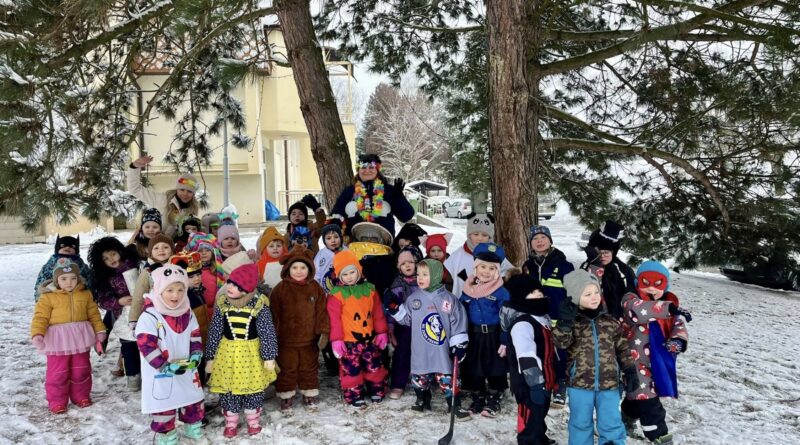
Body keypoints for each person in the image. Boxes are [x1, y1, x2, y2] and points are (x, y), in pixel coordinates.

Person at [553, 269, 637, 445]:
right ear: (575, 297)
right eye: (587, 294)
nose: (594, 297)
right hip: (579, 383)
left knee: (611, 422)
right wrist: (565, 323)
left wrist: (630, 371)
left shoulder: (610, 321)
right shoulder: (572, 322)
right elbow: (561, 343)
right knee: (580, 423)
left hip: (610, 384)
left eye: (596, 292)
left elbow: (623, 348)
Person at [620, 261, 691, 445]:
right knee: (647, 399)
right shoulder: (630, 299)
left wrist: (678, 341)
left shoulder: (669, 305)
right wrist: (666, 308)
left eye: (658, 283)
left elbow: (678, 325)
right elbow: (638, 311)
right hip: (633, 360)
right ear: (637, 282)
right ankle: (659, 435)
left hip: (657, 361)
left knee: (638, 395)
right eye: (646, 282)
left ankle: (627, 415)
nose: (651, 288)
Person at [388, 259, 469, 418]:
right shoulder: (414, 299)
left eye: (425, 274)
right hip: (421, 349)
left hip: (441, 350)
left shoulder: (449, 299)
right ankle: (422, 398)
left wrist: (459, 344)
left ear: (437, 275)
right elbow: (406, 319)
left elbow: (458, 322)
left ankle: (454, 404)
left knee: (447, 377)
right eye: (418, 274)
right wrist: (394, 309)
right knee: (420, 376)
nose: (420, 278)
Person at [205, 263, 278, 437]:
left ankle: (253, 421)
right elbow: (215, 331)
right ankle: (231, 422)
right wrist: (210, 357)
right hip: (227, 355)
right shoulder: (223, 304)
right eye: (229, 283)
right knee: (228, 389)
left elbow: (267, 332)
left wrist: (269, 356)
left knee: (253, 389)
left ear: (246, 289)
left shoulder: (258, 305)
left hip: (251, 354)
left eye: (237, 286)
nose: (230, 287)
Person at [135, 264, 205, 444]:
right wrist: (163, 365)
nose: (176, 295)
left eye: (181, 290)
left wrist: (196, 353)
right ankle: (167, 436)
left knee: (193, 400)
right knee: (164, 407)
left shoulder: (188, 313)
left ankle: (193, 428)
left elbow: (195, 335)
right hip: (162, 372)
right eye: (170, 290)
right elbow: (146, 345)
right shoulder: (150, 316)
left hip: (186, 368)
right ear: (159, 290)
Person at [31, 258, 106, 414]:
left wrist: (100, 330)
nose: (69, 282)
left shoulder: (85, 294)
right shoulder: (48, 297)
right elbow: (40, 317)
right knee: (58, 372)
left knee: (81, 369)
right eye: (64, 279)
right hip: (58, 341)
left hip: (80, 339)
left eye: (73, 278)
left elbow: (93, 314)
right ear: (56, 280)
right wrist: (37, 334)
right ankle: (57, 401)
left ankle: (81, 396)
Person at [269, 246, 330, 413]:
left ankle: (309, 392)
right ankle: (286, 394)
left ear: (309, 269)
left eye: (303, 267)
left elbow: (322, 311)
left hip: (309, 340)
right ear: (288, 269)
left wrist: (323, 331)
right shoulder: (280, 289)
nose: (298, 271)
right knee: (286, 368)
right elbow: (273, 314)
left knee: (308, 367)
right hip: (285, 340)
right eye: (294, 267)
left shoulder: (315, 287)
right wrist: (272, 336)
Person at [327, 250, 390, 408]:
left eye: (352, 272)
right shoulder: (336, 295)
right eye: (345, 274)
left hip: (369, 339)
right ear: (339, 275)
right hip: (349, 342)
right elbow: (334, 320)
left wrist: (381, 332)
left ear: (359, 271)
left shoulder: (370, 290)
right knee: (351, 369)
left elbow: (377, 313)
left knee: (374, 366)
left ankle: (376, 389)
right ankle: (354, 394)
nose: (349, 277)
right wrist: (336, 340)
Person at [501, 273, 557, 445]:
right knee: (530, 416)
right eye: (533, 293)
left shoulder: (541, 317)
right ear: (520, 296)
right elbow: (526, 356)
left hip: (546, 378)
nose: (539, 295)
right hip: (530, 383)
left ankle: (539, 437)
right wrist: (535, 384)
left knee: (540, 413)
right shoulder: (522, 324)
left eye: (540, 292)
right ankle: (528, 440)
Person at [522, 225, 575, 407]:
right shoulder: (527, 266)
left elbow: (572, 293)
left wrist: (567, 315)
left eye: (543, 237)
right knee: (540, 352)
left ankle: (561, 384)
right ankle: (544, 382)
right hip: (535, 319)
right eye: (535, 239)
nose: (539, 241)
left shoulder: (564, 265)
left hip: (557, 318)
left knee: (559, 353)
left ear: (550, 241)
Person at [459, 242, 510, 419]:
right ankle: (478, 395)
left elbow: (507, 317)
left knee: (495, 366)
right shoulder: (468, 288)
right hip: (474, 335)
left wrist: (505, 339)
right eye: (483, 267)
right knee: (475, 366)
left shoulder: (501, 292)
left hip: (494, 335)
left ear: (497, 270)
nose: (486, 271)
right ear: (476, 267)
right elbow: (461, 312)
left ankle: (495, 396)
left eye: (491, 268)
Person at [87, 236, 141, 383]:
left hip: (145, 311)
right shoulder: (105, 277)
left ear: (119, 251)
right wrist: (118, 301)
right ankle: (133, 376)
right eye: (105, 258)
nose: (111, 259)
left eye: (112, 254)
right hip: (123, 316)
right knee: (128, 344)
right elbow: (103, 300)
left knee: (146, 342)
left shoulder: (135, 263)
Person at [331, 153, 415, 240]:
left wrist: (398, 197)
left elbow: (406, 216)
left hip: (383, 244)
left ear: (377, 170)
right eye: (363, 167)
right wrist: (334, 226)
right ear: (358, 170)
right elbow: (336, 215)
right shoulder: (348, 192)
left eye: (371, 167)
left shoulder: (389, 190)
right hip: (354, 244)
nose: (367, 170)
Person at [382, 245, 423, 399]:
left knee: (423, 354)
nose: (407, 266)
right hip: (404, 327)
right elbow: (391, 310)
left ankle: (423, 382)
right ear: (399, 267)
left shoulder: (423, 281)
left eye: (411, 262)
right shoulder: (397, 285)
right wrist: (390, 328)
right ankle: (398, 384)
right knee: (401, 354)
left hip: (422, 326)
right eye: (403, 264)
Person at [128, 155, 200, 237]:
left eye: (189, 191)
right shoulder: (162, 199)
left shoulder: (192, 210)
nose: (185, 194)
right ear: (177, 189)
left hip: (169, 245)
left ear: (193, 194)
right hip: (148, 242)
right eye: (182, 190)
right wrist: (134, 167)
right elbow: (135, 189)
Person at [444, 213, 513, 299]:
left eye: (484, 235)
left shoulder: (496, 255)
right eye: (476, 234)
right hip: (462, 302)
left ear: (490, 237)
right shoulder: (458, 256)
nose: (480, 238)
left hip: (489, 303)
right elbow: (448, 281)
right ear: (469, 234)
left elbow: (508, 275)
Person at [580, 220, 635, 319]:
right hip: (592, 318)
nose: (602, 256)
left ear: (613, 253)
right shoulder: (586, 267)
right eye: (598, 253)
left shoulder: (621, 270)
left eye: (606, 252)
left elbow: (631, 292)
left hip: (618, 318)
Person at [129, 234, 175, 329]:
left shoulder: (178, 269)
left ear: (172, 250)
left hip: (176, 312)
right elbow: (139, 295)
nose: (161, 250)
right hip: (155, 313)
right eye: (156, 248)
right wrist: (134, 318)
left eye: (165, 247)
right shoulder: (148, 272)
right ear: (150, 252)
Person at [35, 235, 92, 302]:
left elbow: (89, 281)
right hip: (55, 301)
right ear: (57, 248)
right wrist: (40, 299)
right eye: (63, 245)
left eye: (72, 246)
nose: (67, 247)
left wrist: (89, 297)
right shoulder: (49, 265)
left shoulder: (81, 265)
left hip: (77, 300)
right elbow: (41, 283)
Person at [186, 232, 225, 319]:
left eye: (207, 250)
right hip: (197, 311)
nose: (204, 253)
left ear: (213, 252)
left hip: (216, 311)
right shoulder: (191, 272)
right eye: (200, 251)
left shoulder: (218, 271)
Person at [313, 223, 346, 287]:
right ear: (324, 241)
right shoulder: (321, 254)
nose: (333, 240)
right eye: (328, 238)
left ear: (341, 237)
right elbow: (316, 273)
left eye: (336, 237)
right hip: (324, 290)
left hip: (344, 289)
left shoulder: (347, 251)